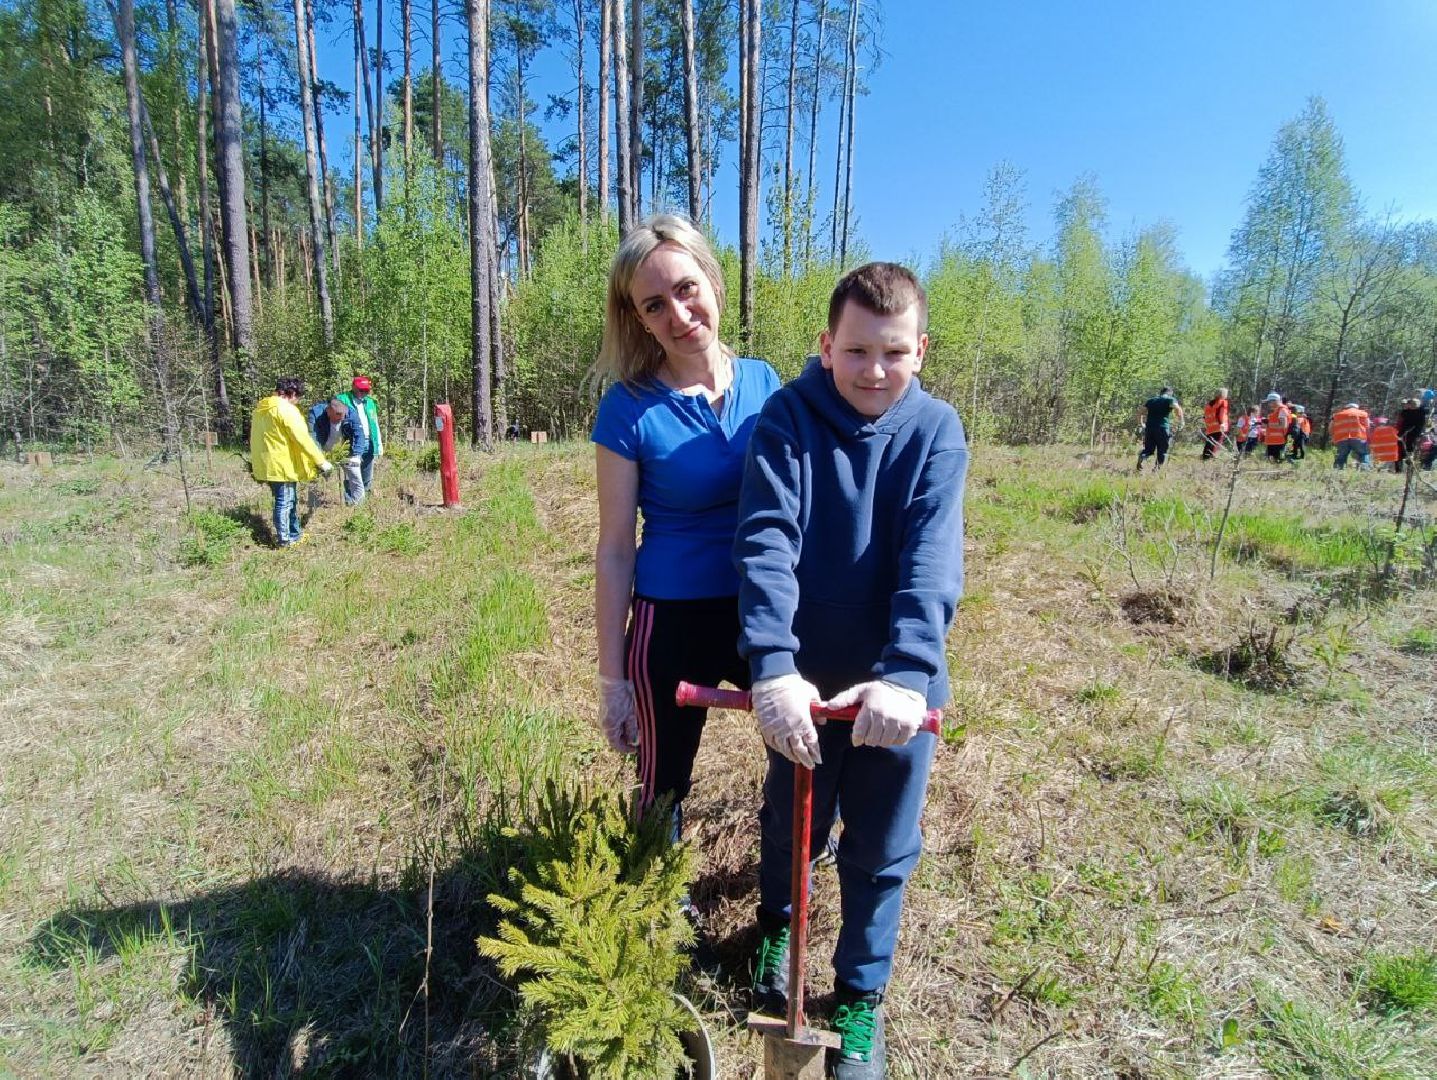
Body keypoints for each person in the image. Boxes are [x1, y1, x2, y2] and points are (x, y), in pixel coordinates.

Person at [734, 263, 968, 1078]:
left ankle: (861, 994)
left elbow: (930, 560)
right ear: (826, 345)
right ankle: (777, 927)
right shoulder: (786, 419)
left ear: (920, 351)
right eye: (858, 350)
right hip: (802, 682)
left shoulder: (936, 430)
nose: (874, 370)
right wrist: (771, 665)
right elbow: (766, 543)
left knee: (880, 842)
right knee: (790, 820)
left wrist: (906, 673)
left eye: (894, 352)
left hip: (896, 691)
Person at [590, 213, 782, 832]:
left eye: (685, 288)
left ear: (711, 279)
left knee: (800, 742)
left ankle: (790, 865)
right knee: (663, 779)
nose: (677, 314)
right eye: (654, 304)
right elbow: (616, 548)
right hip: (669, 618)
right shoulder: (629, 408)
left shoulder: (767, 383)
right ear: (637, 319)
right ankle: (659, 902)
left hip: (764, 608)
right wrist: (612, 678)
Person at [250, 377, 333, 547]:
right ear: (292, 393)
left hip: (268, 464)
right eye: (298, 397)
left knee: (288, 499)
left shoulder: (262, 409)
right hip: (282, 464)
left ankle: (294, 535)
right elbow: (302, 438)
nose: (297, 401)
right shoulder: (285, 409)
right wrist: (321, 461)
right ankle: (285, 541)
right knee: (285, 502)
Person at [307, 395, 370, 505]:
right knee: (315, 476)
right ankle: (313, 504)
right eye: (337, 415)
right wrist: (319, 457)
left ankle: (358, 505)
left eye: (343, 415)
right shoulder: (316, 413)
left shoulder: (350, 413)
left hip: (345, 450)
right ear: (328, 411)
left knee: (355, 474)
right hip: (322, 450)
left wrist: (357, 455)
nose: (341, 418)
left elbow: (359, 434)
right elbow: (312, 436)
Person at [338, 376, 383, 495]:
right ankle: (351, 501)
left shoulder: (370, 402)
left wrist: (379, 444)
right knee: (352, 474)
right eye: (361, 390)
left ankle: (366, 500)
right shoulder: (342, 400)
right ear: (353, 387)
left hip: (369, 442)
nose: (363, 393)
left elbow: (375, 423)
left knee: (367, 473)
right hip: (350, 442)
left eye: (366, 390)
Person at [1135, 387, 1184, 472]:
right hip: (1162, 428)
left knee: (1148, 450)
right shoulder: (1170, 399)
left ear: (1160, 393)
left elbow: (1140, 412)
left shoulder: (1151, 400)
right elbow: (1177, 408)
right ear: (1170, 393)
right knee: (1162, 450)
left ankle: (1143, 456)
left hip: (1149, 428)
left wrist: (1141, 424)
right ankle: (1157, 469)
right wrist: (1181, 421)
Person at [1330, 401, 1370, 470]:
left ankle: (1337, 473)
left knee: (1341, 457)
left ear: (1346, 408)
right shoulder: (1363, 414)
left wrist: (1333, 436)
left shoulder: (1337, 415)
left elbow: (1331, 427)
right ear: (1357, 408)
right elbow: (1368, 426)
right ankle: (1365, 471)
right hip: (1358, 437)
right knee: (1363, 454)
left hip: (1342, 439)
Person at [1396, 396, 1430, 472]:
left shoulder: (1422, 411)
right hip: (1404, 433)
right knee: (1399, 452)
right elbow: (1402, 417)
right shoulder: (1406, 412)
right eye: (1410, 404)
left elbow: (1427, 411)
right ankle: (1399, 470)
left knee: (1411, 451)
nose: (1411, 406)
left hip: (1415, 434)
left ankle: (1411, 469)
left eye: (1413, 404)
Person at [1201, 388, 1230, 460]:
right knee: (1217, 443)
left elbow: (1205, 415)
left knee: (1209, 442)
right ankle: (1211, 458)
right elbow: (1222, 414)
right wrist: (1222, 423)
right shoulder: (1223, 402)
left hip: (1210, 427)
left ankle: (1205, 457)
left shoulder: (1210, 403)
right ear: (1223, 394)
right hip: (1219, 427)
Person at [1262, 392, 1290, 463]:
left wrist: (1268, 425)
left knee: (1278, 462)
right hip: (1273, 442)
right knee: (1271, 462)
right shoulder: (1277, 411)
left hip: (1279, 442)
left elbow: (1283, 425)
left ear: (1275, 401)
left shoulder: (1282, 410)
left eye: (1269, 402)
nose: (1268, 404)